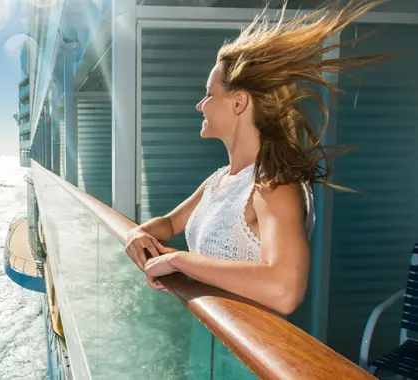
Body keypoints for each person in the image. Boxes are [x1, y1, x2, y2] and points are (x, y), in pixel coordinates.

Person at [124, 0, 394, 315]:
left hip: (246, 350)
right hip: (211, 338)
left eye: (209, 94)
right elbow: (170, 224)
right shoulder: (220, 180)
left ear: (239, 102)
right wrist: (137, 232)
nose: (201, 105)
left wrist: (178, 260)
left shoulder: (274, 185)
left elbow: (285, 290)